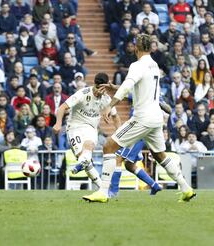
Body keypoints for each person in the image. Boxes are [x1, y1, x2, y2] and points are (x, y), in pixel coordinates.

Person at [82, 34, 195, 203]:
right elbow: (138, 89)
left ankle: (103, 192)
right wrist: (113, 87)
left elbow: (128, 87)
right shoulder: (154, 65)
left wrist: (109, 105)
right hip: (156, 118)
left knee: (109, 146)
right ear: (150, 48)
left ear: (136, 48)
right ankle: (186, 188)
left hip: (142, 117)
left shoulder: (137, 65)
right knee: (160, 155)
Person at [53, 73, 121, 192]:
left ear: (106, 87)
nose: (100, 91)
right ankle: (101, 186)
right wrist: (58, 123)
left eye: (103, 89)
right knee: (84, 158)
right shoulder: (82, 94)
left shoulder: (106, 99)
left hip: (91, 128)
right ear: (94, 84)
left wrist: (120, 135)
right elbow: (62, 107)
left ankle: (83, 166)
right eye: (98, 88)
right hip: (74, 127)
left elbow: (115, 117)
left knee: (89, 146)